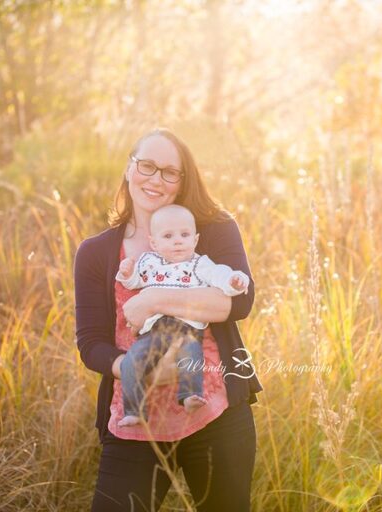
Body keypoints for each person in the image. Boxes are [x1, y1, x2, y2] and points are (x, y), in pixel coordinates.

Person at [74, 128, 263, 512]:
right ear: (129, 169)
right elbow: (91, 343)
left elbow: (239, 301)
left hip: (217, 409)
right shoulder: (95, 253)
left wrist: (156, 298)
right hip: (134, 417)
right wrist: (133, 368)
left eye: (169, 172)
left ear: (182, 181)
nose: (155, 179)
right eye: (147, 166)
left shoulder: (210, 232)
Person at [116, 203, 250, 426]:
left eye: (184, 235)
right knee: (131, 362)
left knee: (191, 356)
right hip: (154, 332)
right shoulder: (149, 263)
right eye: (168, 236)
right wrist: (127, 273)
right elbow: (134, 282)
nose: (178, 240)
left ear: (195, 240)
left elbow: (220, 276)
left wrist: (234, 281)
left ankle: (188, 396)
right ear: (154, 243)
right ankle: (135, 410)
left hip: (186, 330)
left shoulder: (199, 264)